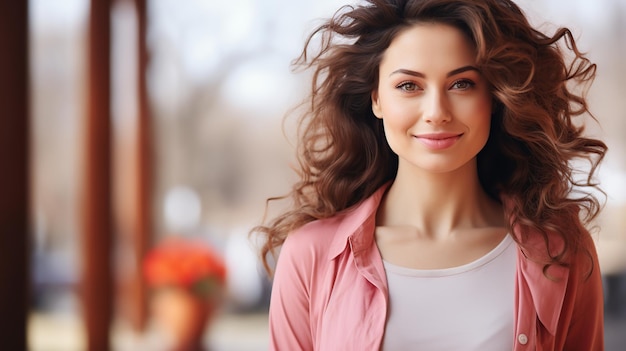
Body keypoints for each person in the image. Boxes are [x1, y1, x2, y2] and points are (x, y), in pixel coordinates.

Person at [253, 0, 607, 349]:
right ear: (377, 99)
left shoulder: (562, 251)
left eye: (462, 84)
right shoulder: (310, 255)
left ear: (495, 97)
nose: (436, 112)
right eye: (409, 86)